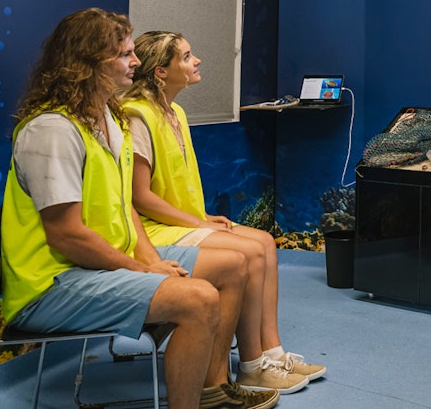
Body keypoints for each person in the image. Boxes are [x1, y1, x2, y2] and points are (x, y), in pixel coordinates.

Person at [1, 8, 279, 409]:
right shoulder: (51, 131)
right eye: (124, 54)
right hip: (54, 284)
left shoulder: (106, 122)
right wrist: (141, 269)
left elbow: (124, 206)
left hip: (100, 263)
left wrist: (149, 257)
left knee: (234, 264)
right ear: (87, 61)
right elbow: (66, 235)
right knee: (198, 299)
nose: (135, 63)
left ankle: (213, 388)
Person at [121, 30, 325, 394]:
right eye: (185, 56)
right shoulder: (137, 118)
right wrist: (198, 221)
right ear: (160, 72)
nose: (196, 61)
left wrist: (200, 218)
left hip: (179, 222)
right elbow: (140, 199)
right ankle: (250, 366)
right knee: (245, 252)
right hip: (155, 230)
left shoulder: (175, 111)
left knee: (263, 241)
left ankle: (271, 352)